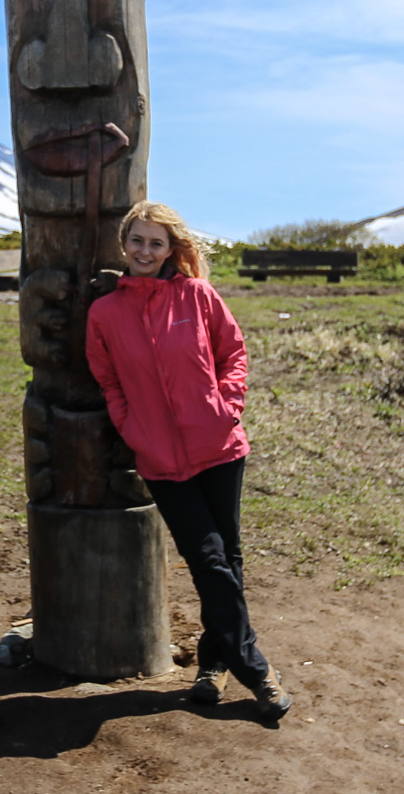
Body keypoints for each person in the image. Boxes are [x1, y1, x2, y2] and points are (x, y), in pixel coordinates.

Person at [85, 200, 293, 722]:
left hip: (219, 447)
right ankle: (256, 669)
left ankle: (212, 665)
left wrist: (227, 407)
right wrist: (131, 426)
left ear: (171, 248)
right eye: (137, 241)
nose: (145, 251)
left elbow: (233, 351)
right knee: (209, 559)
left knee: (227, 558)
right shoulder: (105, 313)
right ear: (124, 244)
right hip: (159, 457)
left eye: (156, 243)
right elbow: (108, 379)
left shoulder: (196, 295)